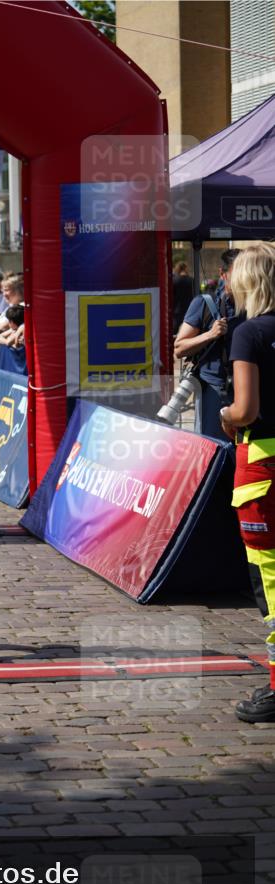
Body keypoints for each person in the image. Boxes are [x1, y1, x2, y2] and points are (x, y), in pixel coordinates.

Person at [218, 243, 275, 723]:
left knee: (271, 583)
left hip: (262, 470)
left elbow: (245, 411)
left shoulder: (248, 333)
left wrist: (223, 414)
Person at [174, 249, 242, 438]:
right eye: (238, 274)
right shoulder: (205, 303)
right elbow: (179, 348)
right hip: (214, 391)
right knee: (214, 452)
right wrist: (210, 334)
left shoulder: (255, 305)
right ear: (223, 273)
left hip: (247, 390)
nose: (243, 280)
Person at [172, 261, 194, 334]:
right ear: (185, 269)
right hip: (190, 310)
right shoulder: (192, 280)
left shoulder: (174, 281)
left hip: (177, 310)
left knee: (174, 332)